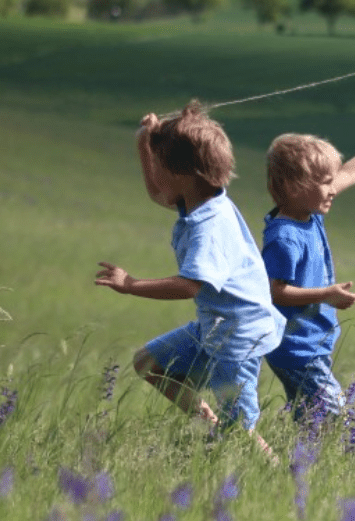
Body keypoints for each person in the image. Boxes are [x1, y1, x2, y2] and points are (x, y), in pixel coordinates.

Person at [94, 101, 286, 452]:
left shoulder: (209, 226)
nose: (157, 172)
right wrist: (145, 143)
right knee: (149, 364)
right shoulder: (200, 201)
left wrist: (131, 285)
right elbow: (158, 192)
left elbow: (189, 285)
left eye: (160, 163)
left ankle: (285, 483)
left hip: (238, 338)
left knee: (240, 432)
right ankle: (206, 423)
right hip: (214, 326)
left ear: (182, 174)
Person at [262, 129, 355, 419]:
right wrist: (326, 295)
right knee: (336, 420)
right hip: (295, 349)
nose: (334, 189)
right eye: (325, 183)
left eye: (332, 181)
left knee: (312, 422)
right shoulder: (284, 237)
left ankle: (299, 463)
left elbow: (352, 172)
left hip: (311, 343)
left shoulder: (309, 211)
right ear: (294, 186)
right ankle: (314, 461)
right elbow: (273, 291)